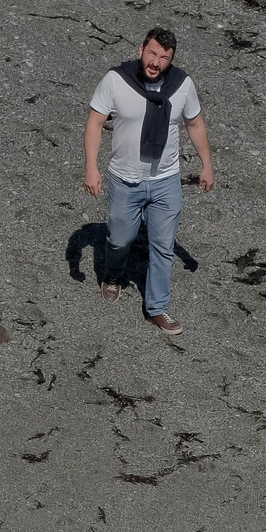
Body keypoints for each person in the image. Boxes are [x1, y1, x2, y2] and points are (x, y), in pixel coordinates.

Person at [84, 26, 214, 334]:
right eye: (152, 53)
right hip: (125, 179)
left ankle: (157, 308)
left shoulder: (183, 85)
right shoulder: (116, 80)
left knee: (163, 246)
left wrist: (207, 165)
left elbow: (194, 124)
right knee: (119, 240)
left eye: (164, 57)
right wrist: (92, 167)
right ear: (141, 49)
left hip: (166, 180)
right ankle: (114, 274)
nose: (155, 62)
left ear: (171, 60)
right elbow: (95, 122)